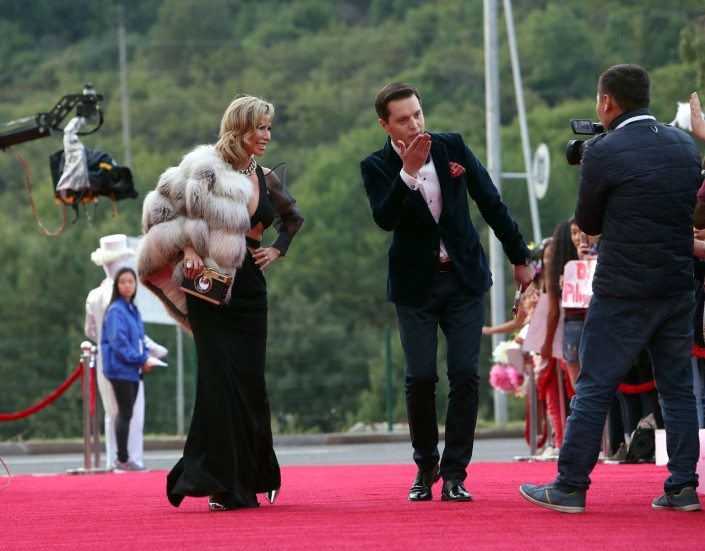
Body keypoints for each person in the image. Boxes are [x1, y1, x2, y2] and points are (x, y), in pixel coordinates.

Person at [520, 64, 702, 513]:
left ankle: (570, 486)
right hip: (677, 286)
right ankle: (682, 487)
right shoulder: (684, 144)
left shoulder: (603, 151)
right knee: (678, 388)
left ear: (606, 102)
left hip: (623, 288)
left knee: (595, 385)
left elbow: (588, 222)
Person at [360, 82, 535, 502]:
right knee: (420, 377)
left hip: (463, 280)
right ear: (385, 125)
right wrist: (407, 173)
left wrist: (520, 256)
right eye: (403, 119)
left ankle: (456, 473)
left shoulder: (451, 146)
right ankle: (426, 467)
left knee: (464, 373)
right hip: (415, 287)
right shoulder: (376, 165)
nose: (415, 124)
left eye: (418, 114)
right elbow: (384, 218)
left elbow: (490, 202)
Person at [137, 94, 304, 511]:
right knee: (218, 383)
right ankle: (219, 484)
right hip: (208, 286)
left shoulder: (266, 176)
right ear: (239, 128)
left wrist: (277, 249)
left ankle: (253, 475)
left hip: (251, 289)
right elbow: (158, 214)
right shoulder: (203, 167)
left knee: (250, 385)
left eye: (268, 127)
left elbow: (292, 218)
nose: (266, 135)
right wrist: (186, 248)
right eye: (259, 127)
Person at [86, 234, 168, 470]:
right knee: (128, 413)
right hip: (123, 362)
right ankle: (127, 458)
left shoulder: (96, 295)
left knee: (115, 413)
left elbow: (91, 330)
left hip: (111, 359)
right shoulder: (117, 304)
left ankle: (117, 459)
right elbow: (124, 340)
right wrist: (146, 354)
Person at [101, 267, 152, 472]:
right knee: (125, 412)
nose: (127, 285)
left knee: (127, 413)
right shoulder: (116, 310)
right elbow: (119, 343)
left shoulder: (132, 308)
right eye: (123, 282)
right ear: (117, 285)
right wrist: (141, 359)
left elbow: (140, 339)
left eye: (131, 281)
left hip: (132, 368)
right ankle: (122, 460)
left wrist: (146, 356)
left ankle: (124, 459)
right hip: (120, 369)